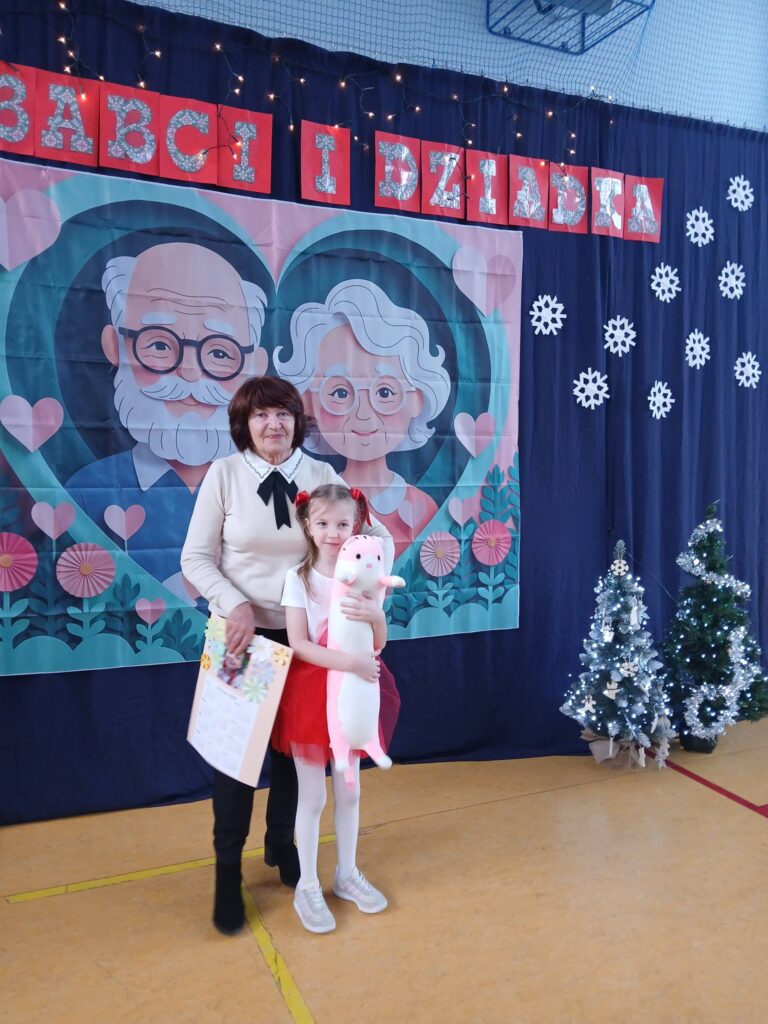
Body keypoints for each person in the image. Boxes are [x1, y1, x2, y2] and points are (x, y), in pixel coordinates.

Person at [180, 376, 393, 935]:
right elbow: (195, 558)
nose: (272, 424)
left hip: (312, 641)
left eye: (282, 414)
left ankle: (283, 846)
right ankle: (228, 871)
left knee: (300, 755)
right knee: (234, 762)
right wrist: (234, 604)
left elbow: (371, 540)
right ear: (244, 424)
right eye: (260, 415)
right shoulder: (223, 475)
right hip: (242, 638)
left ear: (298, 421)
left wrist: (367, 598)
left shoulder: (322, 476)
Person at [67, 241, 268, 599]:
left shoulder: (269, 487)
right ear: (115, 346)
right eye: (159, 345)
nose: (189, 372)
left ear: (255, 366)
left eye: (220, 353)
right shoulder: (87, 493)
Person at [272, 484, 398, 934]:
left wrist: (377, 617)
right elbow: (299, 643)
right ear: (307, 525)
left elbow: (377, 641)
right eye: (323, 523)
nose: (333, 533)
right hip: (312, 693)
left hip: (354, 694)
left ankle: (347, 874)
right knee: (314, 797)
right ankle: (307, 884)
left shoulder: (366, 572)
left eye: (343, 524)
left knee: (351, 790)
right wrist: (348, 663)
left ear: (357, 526)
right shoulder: (299, 578)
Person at [274, 279, 452, 559]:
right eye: (340, 393)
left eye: (384, 392)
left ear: (416, 399)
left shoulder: (422, 507)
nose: (363, 413)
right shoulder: (312, 502)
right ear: (308, 401)